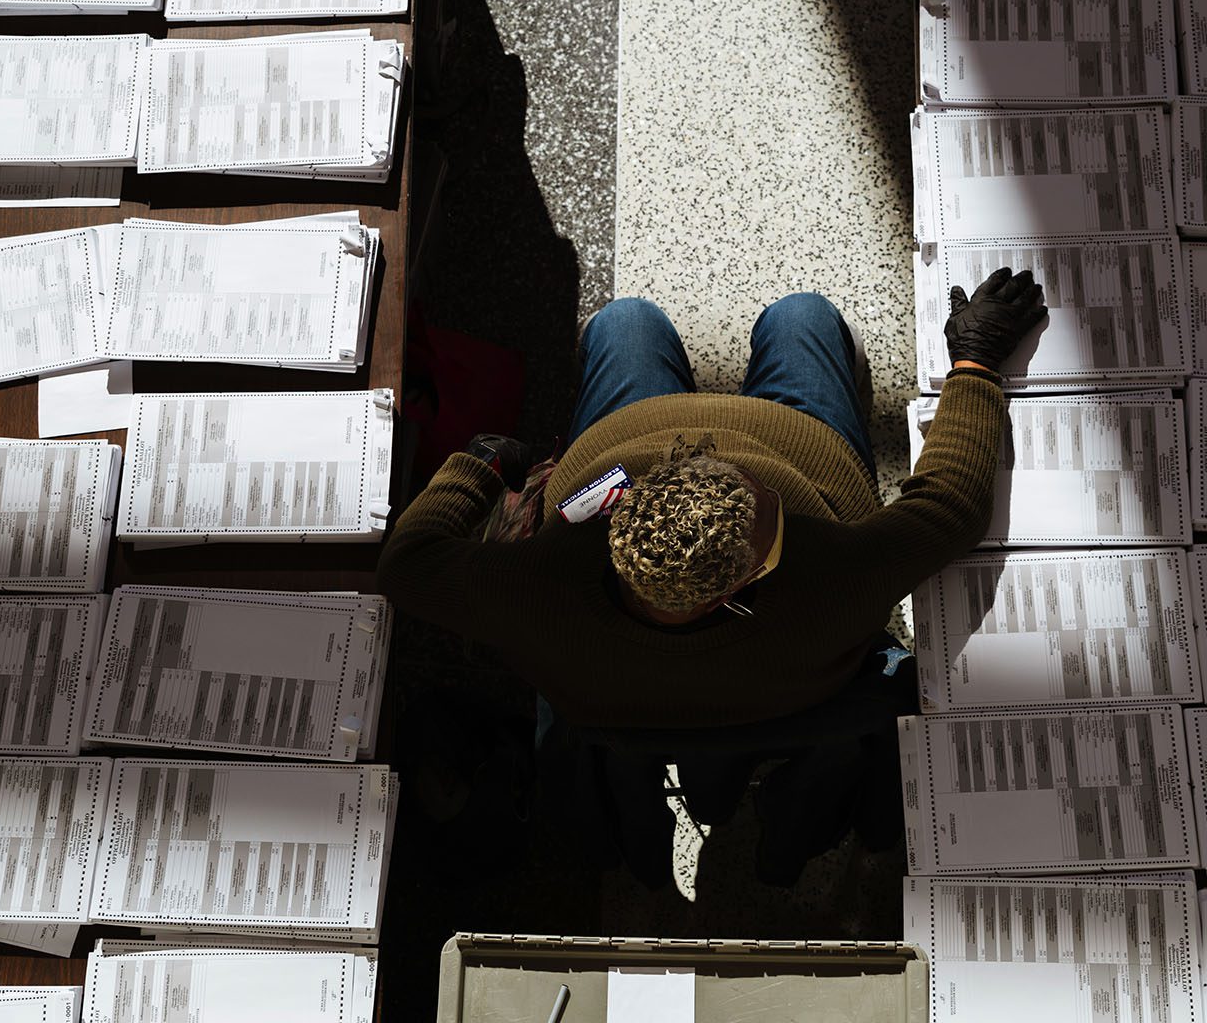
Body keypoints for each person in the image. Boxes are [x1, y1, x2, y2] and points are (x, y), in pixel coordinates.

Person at [376, 268, 1045, 731]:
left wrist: (481, 464)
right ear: (740, 586)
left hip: (615, 448)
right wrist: (976, 362)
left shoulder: (533, 591)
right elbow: (951, 506)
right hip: (805, 444)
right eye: (771, 527)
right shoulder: (834, 579)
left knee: (623, 323)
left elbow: (406, 564)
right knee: (801, 318)